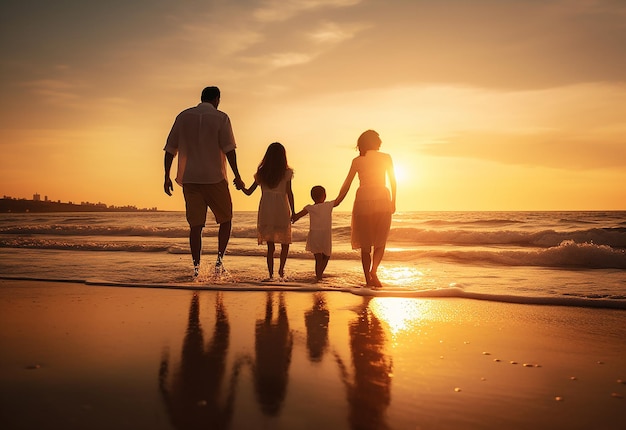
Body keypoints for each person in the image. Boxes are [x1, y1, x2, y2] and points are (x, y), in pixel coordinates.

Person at [163, 86, 245, 279]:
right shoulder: (221, 117)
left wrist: (166, 176)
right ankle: (219, 261)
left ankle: (196, 268)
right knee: (226, 220)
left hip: (190, 178)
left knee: (196, 226)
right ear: (217, 99)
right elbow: (229, 149)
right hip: (214, 177)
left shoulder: (183, 117)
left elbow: (169, 149)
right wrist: (237, 175)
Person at [334, 130, 396, 288]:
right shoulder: (386, 157)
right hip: (382, 199)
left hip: (363, 201)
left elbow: (347, 183)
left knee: (365, 244)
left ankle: (368, 280)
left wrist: (337, 201)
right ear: (377, 142)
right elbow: (393, 181)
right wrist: (394, 201)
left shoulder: (357, 161)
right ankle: (374, 271)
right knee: (380, 240)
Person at [241, 142, 295, 281]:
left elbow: (248, 192)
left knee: (270, 246)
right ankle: (281, 271)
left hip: (266, 210)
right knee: (285, 243)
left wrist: (241, 185)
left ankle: (270, 275)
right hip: (281, 208)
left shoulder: (262, 173)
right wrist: (294, 212)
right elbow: (289, 193)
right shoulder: (287, 173)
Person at [292, 185, 338, 282]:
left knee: (318, 258)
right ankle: (319, 276)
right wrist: (345, 189)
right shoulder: (328, 205)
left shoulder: (310, 207)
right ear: (324, 195)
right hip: (325, 235)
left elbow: (298, 216)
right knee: (326, 256)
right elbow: (339, 200)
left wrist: (291, 218)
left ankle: (319, 276)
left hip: (314, 235)